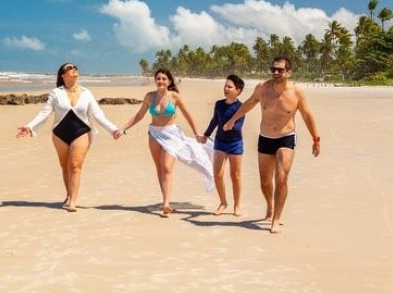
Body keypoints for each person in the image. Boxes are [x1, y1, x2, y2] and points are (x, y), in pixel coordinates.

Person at [223, 57, 320, 234]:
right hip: (265, 137)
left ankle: (276, 219)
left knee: (281, 177)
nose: (276, 72)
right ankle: (270, 205)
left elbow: (307, 115)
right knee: (265, 181)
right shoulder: (262, 88)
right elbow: (250, 103)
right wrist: (232, 120)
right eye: (273, 69)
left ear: (288, 72)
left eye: (280, 70)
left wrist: (316, 139)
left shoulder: (296, 92)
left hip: (286, 137)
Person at [16, 62, 120, 212]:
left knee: (75, 165)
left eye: (75, 67)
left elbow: (97, 114)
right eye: (69, 68)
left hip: (81, 132)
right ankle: (68, 194)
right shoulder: (56, 93)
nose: (74, 69)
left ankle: (73, 201)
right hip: (60, 134)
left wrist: (113, 129)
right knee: (65, 167)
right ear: (63, 75)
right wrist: (30, 126)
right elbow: (45, 112)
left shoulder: (86, 92)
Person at [115, 68, 213, 215]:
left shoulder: (174, 96)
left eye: (163, 79)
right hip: (154, 134)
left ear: (169, 81)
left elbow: (188, 115)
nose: (160, 81)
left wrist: (197, 133)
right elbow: (139, 115)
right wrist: (123, 129)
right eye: (158, 78)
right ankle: (165, 201)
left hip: (171, 135)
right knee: (159, 168)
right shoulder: (149, 96)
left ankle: (166, 203)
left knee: (167, 167)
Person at [197, 75, 246, 217]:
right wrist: (206, 135)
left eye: (229, 87)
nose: (226, 88)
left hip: (235, 144)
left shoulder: (240, 107)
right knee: (218, 174)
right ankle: (223, 202)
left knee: (235, 175)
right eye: (225, 86)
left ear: (238, 90)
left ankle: (237, 205)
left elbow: (239, 124)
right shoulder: (219, 104)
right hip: (219, 142)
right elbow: (214, 121)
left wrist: (230, 126)